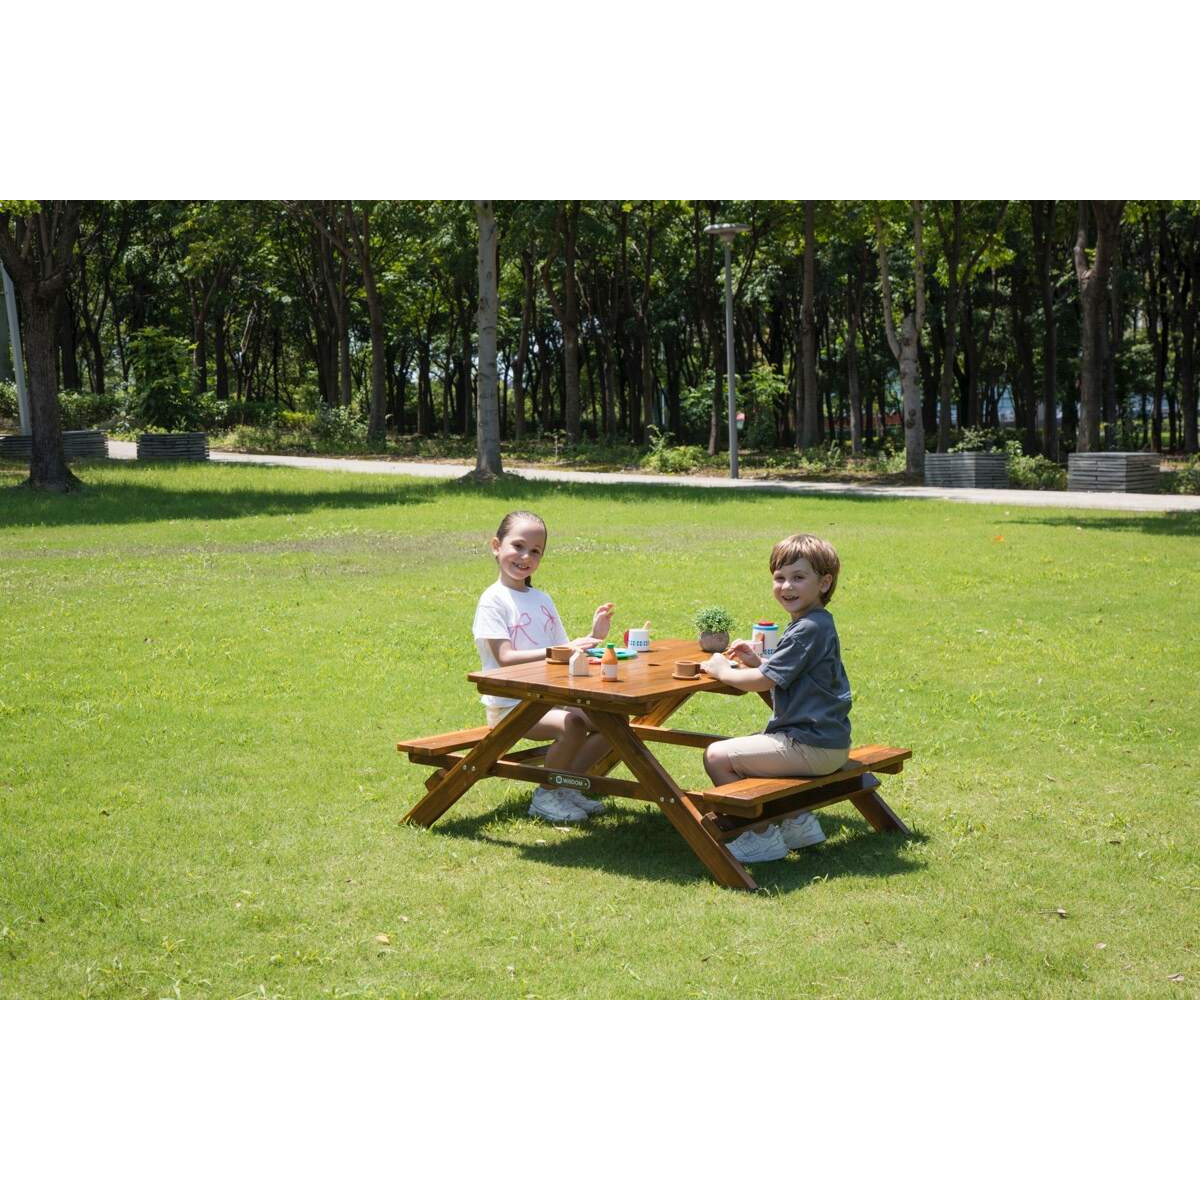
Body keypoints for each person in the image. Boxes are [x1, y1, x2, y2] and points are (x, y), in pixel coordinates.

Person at [699, 533, 852, 864]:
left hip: (813, 745)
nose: (786, 586)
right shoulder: (816, 624)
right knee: (754, 745)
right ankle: (797, 823)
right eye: (780, 578)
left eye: (798, 577)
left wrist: (721, 669)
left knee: (718, 756)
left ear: (824, 583)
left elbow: (762, 682)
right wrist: (757, 661)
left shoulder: (808, 628)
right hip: (829, 742)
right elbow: (786, 673)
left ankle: (760, 835)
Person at [472, 510, 615, 823]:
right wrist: (562, 649)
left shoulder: (541, 598)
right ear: (496, 546)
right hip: (511, 705)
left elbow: (562, 655)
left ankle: (566, 787)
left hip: (549, 699)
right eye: (518, 546)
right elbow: (505, 658)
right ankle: (547, 794)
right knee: (573, 726)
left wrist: (593, 637)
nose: (525, 557)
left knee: (612, 723)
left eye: (535, 551)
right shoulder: (493, 600)